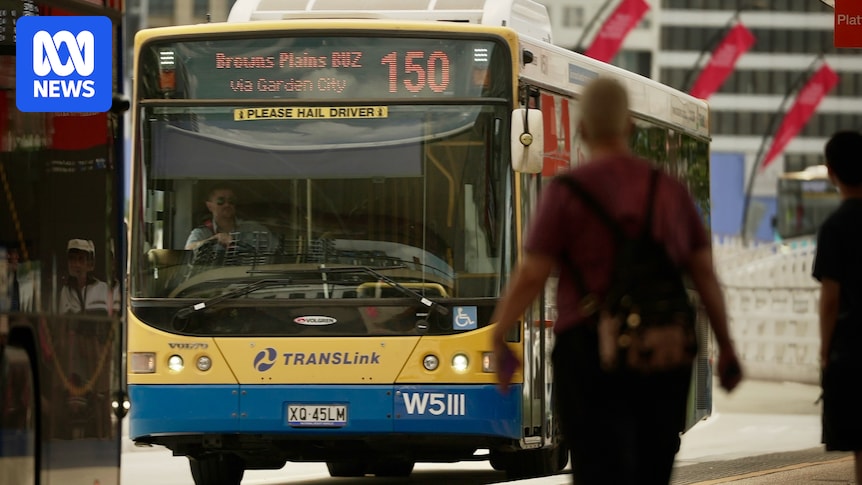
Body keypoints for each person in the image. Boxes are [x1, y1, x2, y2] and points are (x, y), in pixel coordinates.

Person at [490, 77, 742, 485]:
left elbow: (532, 273)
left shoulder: (566, 193)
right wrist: (727, 348)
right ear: (629, 126)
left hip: (587, 355)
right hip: (661, 353)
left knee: (597, 470)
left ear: (582, 130)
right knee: (652, 469)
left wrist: (500, 336)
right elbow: (704, 275)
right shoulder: (669, 191)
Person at [812, 130, 862, 484]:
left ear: (831, 172)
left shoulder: (835, 227)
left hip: (854, 348)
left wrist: (825, 350)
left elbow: (830, 299)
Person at [185, 185, 274, 252]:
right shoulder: (201, 233)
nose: (227, 205)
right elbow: (188, 251)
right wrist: (213, 240)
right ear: (209, 206)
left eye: (231, 201)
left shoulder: (255, 229)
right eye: (221, 201)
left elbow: (277, 251)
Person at [59, 239, 120, 315]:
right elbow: (63, 320)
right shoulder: (65, 291)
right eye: (72, 259)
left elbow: (115, 318)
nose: (76, 264)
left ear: (89, 265)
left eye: (81, 259)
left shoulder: (104, 289)